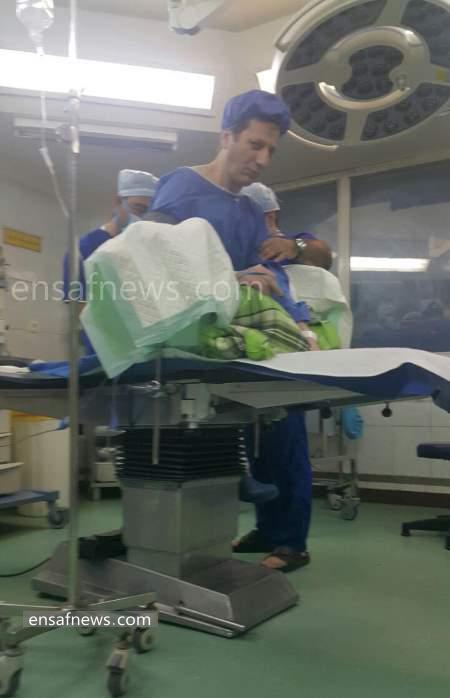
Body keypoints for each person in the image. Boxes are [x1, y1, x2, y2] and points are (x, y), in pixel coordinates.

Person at [152, 89, 313, 571]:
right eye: (254, 145)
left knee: (279, 422)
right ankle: (260, 530)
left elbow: (267, 271)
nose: (263, 160)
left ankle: (288, 539)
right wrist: (231, 278)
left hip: (244, 333)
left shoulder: (246, 211)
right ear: (226, 137)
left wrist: (292, 313)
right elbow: (153, 259)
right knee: (233, 434)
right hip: (194, 335)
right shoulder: (180, 188)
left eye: (271, 150)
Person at [63, 169, 159, 353]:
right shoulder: (83, 250)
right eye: (139, 209)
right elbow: (81, 311)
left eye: (149, 213)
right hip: (105, 352)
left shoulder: (147, 250)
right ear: (117, 201)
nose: (143, 219)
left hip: (148, 349)